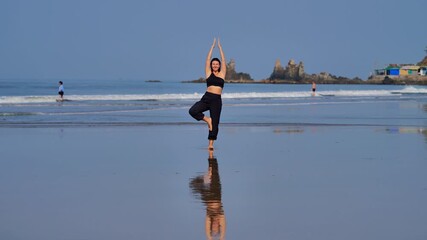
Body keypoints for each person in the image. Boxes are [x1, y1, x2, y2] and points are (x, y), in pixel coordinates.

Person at [189, 38, 226, 150]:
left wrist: (220, 48)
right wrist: (211, 47)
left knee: (215, 124)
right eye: (213, 64)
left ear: (219, 65)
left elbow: (224, 60)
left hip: (217, 100)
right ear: (211, 65)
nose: (215, 65)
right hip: (207, 97)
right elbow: (207, 59)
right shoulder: (208, 72)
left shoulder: (222, 74)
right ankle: (207, 120)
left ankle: (210, 145)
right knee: (193, 111)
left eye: (217, 64)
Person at [189, 150, 226, 240]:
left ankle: (209, 162)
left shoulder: (209, 216)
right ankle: (211, 157)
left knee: (193, 185)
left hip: (207, 196)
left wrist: (209, 238)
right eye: (216, 227)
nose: (215, 225)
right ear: (219, 226)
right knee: (215, 172)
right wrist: (221, 238)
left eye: (213, 227)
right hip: (217, 194)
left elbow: (206, 227)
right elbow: (224, 227)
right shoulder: (221, 215)